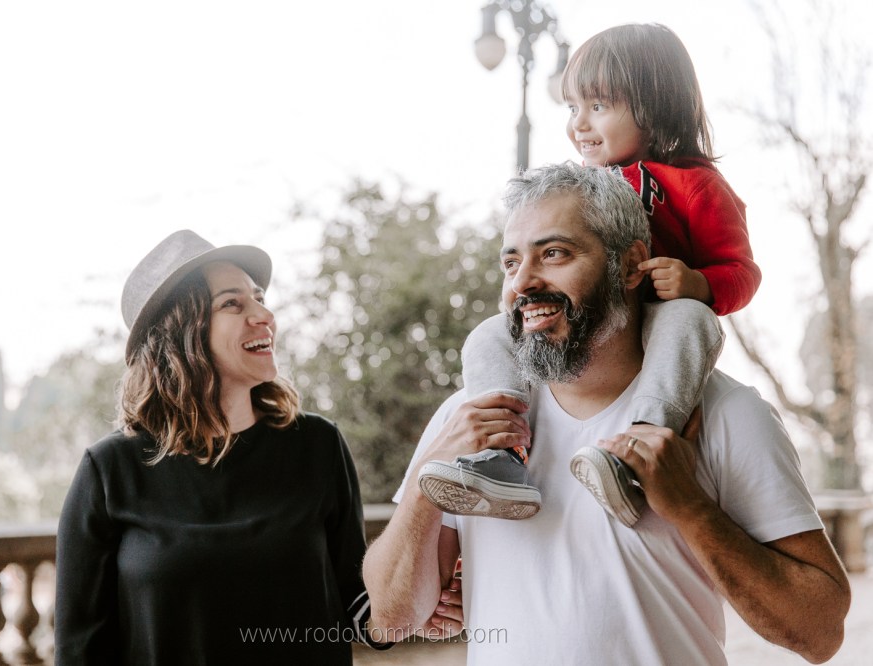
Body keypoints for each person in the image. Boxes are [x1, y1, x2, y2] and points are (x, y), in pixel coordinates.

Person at [363, 163, 850, 664]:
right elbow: (391, 620)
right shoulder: (468, 416)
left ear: (631, 264)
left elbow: (820, 633)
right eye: (511, 263)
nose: (523, 282)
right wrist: (426, 479)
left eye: (554, 253)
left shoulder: (727, 413)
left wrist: (690, 508)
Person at [54, 230, 459, 664]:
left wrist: (418, 601)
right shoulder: (109, 470)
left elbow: (361, 607)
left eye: (260, 298)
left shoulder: (317, 446)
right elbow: (79, 652)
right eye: (233, 303)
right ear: (180, 331)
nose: (264, 315)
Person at [417, 23, 762, 526]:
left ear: (655, 107)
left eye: (597, 106)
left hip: (657, 323)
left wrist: (700, 284)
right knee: (488, 336)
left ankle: (638, 454)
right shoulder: (578, 185)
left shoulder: (697, 184)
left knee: (692, 319)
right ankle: (500, 454)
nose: (579, 124)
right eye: (572, 108)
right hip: (592, 323)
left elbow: (743, 271)